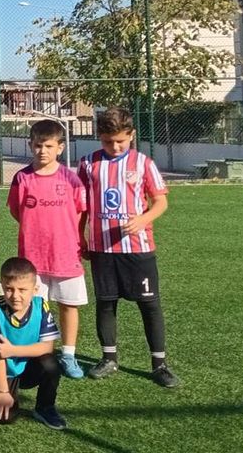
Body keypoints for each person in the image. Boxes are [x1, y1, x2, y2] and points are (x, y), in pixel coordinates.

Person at [79, 107, 180, 388]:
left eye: (120, 141)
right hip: (102, 248)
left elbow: (160, 201)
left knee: (149, 304)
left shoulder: (143, 163)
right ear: (99, 137)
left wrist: (143, 220)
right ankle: (108, 358)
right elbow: (82, 207)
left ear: (132, 135)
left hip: (138, 248)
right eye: (107, 141)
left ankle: (159, 364)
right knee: (106, 303)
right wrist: (80, 237)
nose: (114, 147)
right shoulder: (88, 164)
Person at [7, 120, 89, 379]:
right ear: (30, 145)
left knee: (68, 305)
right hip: (33, 256)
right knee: (33, 307)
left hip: (66, 254)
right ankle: (37, 352)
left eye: (49, 146)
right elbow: (16, 210)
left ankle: (68, 354)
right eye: (38, 145)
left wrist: (72, 237)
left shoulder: (71, 179)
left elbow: (79, 212)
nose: (42, 151)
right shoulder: (22, 178)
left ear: (60, 148)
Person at [0, 257, 66, 430]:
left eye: (22, 290)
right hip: (3, 372)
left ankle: (45, 407)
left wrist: (13, 350)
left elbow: (47, 347)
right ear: (2, 286)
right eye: (9, 289)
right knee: (3, 417)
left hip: (28, 368)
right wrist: (2, 391)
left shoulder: (41, 306)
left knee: (50, 363)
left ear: (35, 289)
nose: (15, 296)